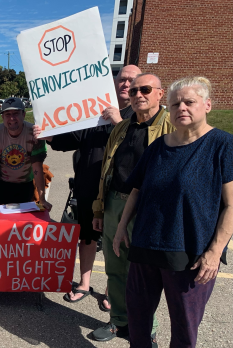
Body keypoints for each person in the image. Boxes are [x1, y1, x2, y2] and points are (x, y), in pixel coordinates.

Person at [114, 77, 233, 348]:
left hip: (190, 253)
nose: (182, 108)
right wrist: (121, 228)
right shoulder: (157, 147)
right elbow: (137, 191)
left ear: (207, 105)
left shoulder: (222, 145)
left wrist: (214, 253)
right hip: (145, 246)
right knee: (138, 320)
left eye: (189, 102)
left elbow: (231, 205)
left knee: (184, 327)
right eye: (176, 103)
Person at [34, 65, 142, 310]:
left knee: (118, 239)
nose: (126, 84)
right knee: (87, 235)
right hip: (88, 185)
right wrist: (48, 135)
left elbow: (137, 148)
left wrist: (118, 123)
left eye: (131, 81)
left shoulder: (139, 116)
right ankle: (84, 283)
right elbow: (72, 139)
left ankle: (110, 291)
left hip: (119, 191)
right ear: (114, 82)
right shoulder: (96, 111)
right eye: (122, 79)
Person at [90, 73, 174, 344]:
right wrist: (100, 210)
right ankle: (119, 322)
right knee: (115, 267)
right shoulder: (122, 128)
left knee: (143, 273)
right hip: (115, 201)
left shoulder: (172, 126)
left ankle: (146, 328)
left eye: (146, 89)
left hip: (149, 209)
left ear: (161, 94)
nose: (139, 94)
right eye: (135, 90)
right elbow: (107, 171)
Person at [0, 97, 51, 210]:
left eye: (16, 113)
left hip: (25, 184)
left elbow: (37, 167)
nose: (12, 118)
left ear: (23, 114)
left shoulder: (33, 133)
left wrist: (42, 199)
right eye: (7, 114)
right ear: (2, 117)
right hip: (2, 184)